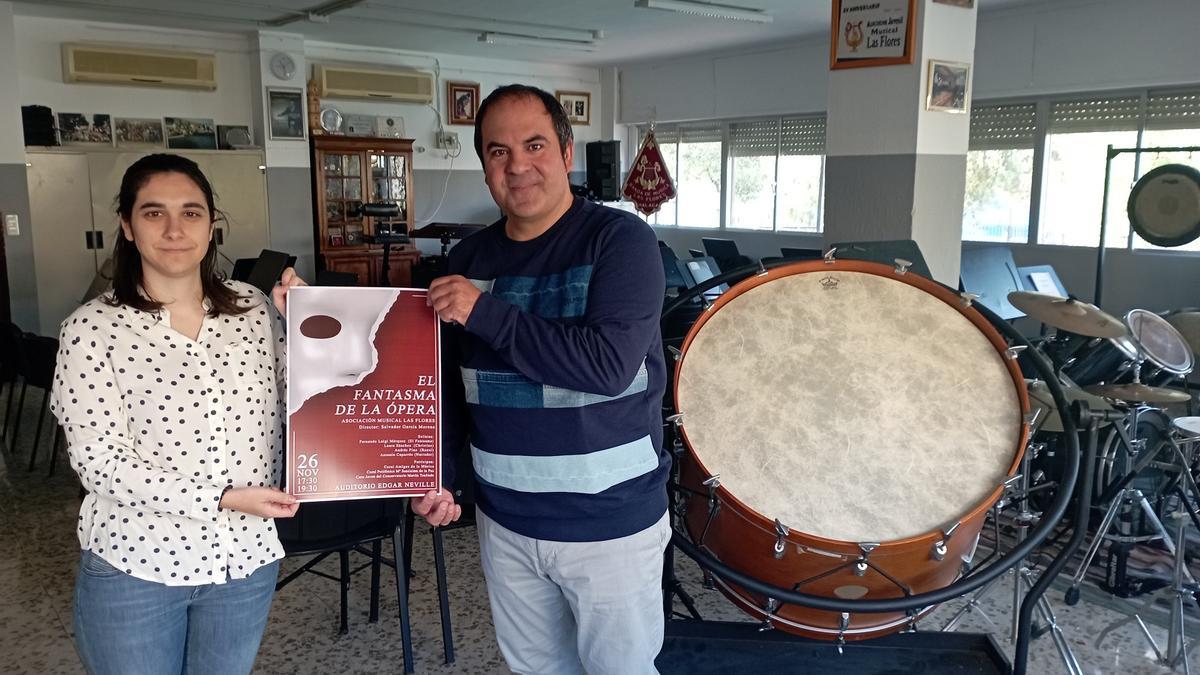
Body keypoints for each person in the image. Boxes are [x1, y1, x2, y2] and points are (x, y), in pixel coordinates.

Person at [416, 84, 670, 674]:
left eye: (533, 144)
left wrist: (485, 313)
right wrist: (443, 476)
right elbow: (450, 388)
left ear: (566, 150)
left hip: (610, 524)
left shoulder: (621, 240)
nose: (517, 165)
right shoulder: (468, 260)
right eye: (497, 151)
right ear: (483, 168)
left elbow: (607, 367)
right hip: (506, 519)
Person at [50, 153, 305, 675]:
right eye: (152, 213)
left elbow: (302, 402)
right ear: (126, 225)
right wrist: (221, 498)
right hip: (137, 566)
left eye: (191, 212)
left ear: (212, 225)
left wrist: (308, 326)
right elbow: (100, 461)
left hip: (245, 561)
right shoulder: (92, 330)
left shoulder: (255, 309)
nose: (174, 229)